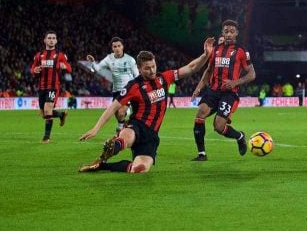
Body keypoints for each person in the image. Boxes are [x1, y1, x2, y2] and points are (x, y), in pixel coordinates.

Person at [78, 37, 214, 173]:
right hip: (136, 126)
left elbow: (191, 68)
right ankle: (113, 146)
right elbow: (113, 107)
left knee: (139, 169)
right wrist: (95, 129)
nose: (152, 70)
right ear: (139, 68)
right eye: (147, 68)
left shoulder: (164, 78)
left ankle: (101, 165)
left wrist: (206, 55)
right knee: (126, 138)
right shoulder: (134, 86)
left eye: (153, 66)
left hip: (151, 135)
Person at [191, 20, 256, 162]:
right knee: (200, 113)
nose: (228, 34)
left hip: (229, 94)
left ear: (237, 33)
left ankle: (239, 137)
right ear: (222, 32)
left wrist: (235, 82)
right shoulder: (216, 50)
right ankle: (202, 154)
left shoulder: (241, 51)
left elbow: (252, 74)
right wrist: (199, 87)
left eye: (232, 31)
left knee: (219, 126)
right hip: (213, 91)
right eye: (226, 31)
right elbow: (208, 71)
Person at [87, 37, 139, 135]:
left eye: (119, 46)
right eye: (115, 46)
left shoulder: (130, 60)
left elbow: (137, 75)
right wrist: (93, 62)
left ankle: (119, 131)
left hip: (128, 90)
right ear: (112, 48)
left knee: (120, 112)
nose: (117, 48)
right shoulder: (109, 59)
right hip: (116, 91)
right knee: (117, 114)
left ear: (122, 46)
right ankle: (123, 121)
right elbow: (97, 69)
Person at [30, 30, 72, 143]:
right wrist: (35, 70)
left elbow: (69, 68)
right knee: (44, 113)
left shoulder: (60, 55)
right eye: (49, 38)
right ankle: (61, 114)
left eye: (53, 38)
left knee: (48, 109)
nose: (51, 40)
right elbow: (32, 68)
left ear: (56, 41)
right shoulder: (39, 55)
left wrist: (65, 66)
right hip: (41, 87)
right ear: (45, 40)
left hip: (53, 87)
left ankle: (46, 137)